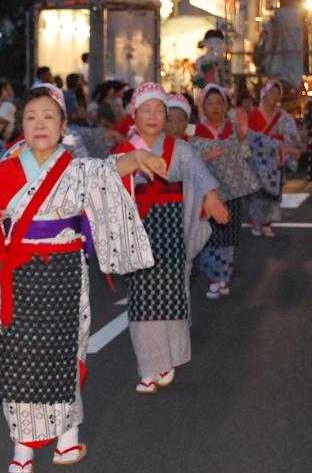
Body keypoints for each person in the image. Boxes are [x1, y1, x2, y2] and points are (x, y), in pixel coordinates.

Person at [0, 84, 162, 471]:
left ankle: (67, 441)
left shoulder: (78, 169)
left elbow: (110, 169)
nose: (39, 124)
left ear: (64, 127)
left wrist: (139, 157)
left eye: (48, 117)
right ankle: (22, 454)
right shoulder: (10, 169)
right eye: (31, 117)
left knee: (66, 356)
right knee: (22, 362)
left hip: (66, 273)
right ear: (22, 126)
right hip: (22, 274)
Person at [112, 83, 229, 395]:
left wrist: (210, 196)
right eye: (146, 110)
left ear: (166, 115)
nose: (152, 116)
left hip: (172, 230)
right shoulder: (124, 153)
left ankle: (169, 358)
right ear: (134, 115)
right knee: (142, 302)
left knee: (172, 297)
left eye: (158, 110)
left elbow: (201, 176)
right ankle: (149, 367)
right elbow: (107, 188)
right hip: (139, 233)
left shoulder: (181, 149)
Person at [189, 84, 259, 299]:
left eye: (219, 103)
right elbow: (187, 160)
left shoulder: (232, 129)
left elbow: (245, 155)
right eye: (210, 103)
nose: (215, 107)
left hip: (232, 191)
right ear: (203, 107)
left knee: (229, 237)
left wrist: (242, 137)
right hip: (206, 193)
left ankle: (223, 277)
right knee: (209, 236)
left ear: (226, 105)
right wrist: (206, 157)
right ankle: (213, 279)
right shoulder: (195, 130)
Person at [246, 80, 302, 236]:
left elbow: (291, 135)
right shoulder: (254, 115)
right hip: (259, 159)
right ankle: (257, 222)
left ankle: (267, 223)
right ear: (265, 94)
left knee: (274, 192)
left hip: (277, 158)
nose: (275, 96)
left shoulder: (283, 117)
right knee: (259, 192)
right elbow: (249, 138)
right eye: (272, 92)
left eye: (278, 94)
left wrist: (293, 141)